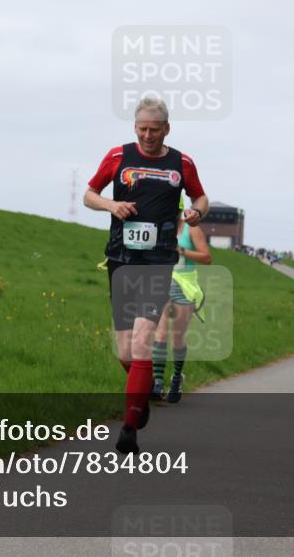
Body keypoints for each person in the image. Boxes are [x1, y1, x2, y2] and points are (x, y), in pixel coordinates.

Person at [85, 98, 209, 453]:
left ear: (167, 128)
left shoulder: (181, 163)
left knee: (142, 341)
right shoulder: (117, 157)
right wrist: (111, 204)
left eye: (155, 130)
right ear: (135, 127)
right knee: (125, 349)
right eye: (142, 129)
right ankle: (139, 396)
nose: (148, 136)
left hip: (159, 262)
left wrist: (197, 213)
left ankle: (129, 430)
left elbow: (201, 198)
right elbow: (89, 194)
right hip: (121, 260)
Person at [152, 198, 212, 403]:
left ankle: (177, 378)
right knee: (160, 332)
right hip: (163, 282)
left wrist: (182, 251)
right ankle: (157, 382)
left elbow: (207, 257)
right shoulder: (159, 227)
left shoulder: (191, 228)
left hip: (185, 286)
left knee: (177, 337)